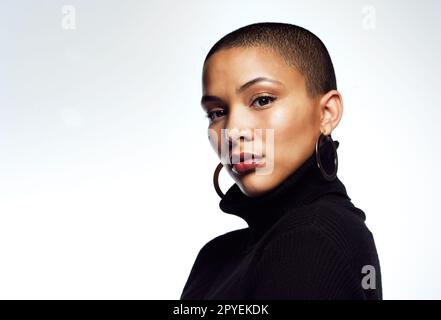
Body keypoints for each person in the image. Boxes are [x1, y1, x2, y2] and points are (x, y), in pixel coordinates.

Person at [180, 22, 382, 300]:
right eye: (216, 113)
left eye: (262, 100)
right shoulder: (215, 256)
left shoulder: (313, 237)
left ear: (327, 113)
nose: (233, 130)